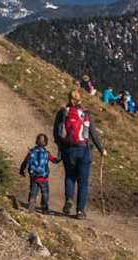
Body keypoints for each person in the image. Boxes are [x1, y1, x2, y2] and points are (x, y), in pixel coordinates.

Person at [53, 89, 106, 219]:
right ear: (80, 100)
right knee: (83, 182)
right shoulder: (85, 114)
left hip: (67, 150)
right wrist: (101, 149)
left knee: (70, 177)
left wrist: (60, 147)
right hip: (83, 150)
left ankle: (68, 200)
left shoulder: (62, 113)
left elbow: (56, 132)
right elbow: (93, 133)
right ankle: (80, 211)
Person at [19, 133, 60, 212]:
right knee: (45, 193)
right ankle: (44, 207)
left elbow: (25, 162)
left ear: (36, 141)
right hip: (43, 177)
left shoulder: (31, 152)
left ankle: (32, 200)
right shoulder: (47, 153)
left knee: (33, 190)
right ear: (45, 143)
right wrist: (60, 157)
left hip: (33, 176)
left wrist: (21, 170)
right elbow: (55, 161)